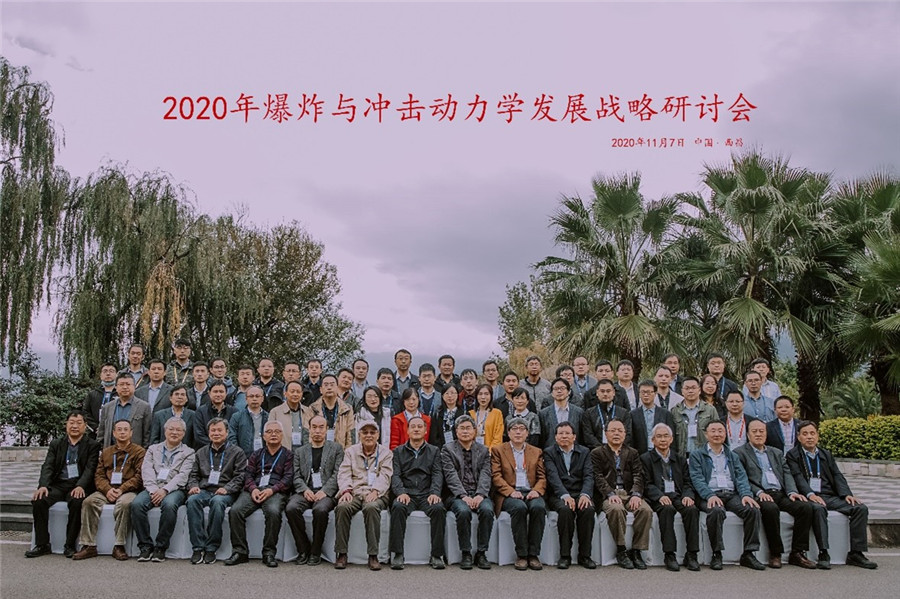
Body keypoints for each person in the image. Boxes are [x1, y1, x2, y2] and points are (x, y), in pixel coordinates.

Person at [787, 420, 878, 569]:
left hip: (829, 495)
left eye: (812, 433)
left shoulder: (825, 454)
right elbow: (797, 477)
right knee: (818, 509)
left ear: (817, 436)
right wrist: (810, 494)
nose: (809, 437)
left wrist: (847, 494)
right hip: (809, 497)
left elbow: (837, 475)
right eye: (805, 434)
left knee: (860, 508)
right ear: (798, 437)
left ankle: (856, 553)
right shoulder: (793, 455)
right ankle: (823, 552)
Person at [734, 420, 817, 569]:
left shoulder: (776, 452)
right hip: (760, 494)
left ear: (766, 433)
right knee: (770, 509)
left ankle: (797, 553)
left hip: (780, 493)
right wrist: (759, 492)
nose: (758, 434)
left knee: (805, 507)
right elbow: (742, 478)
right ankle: (775, 553)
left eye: (761, 431)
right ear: (748, 434)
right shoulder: (740, 453)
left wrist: (792, 492)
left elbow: (787, 473)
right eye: (754, 431)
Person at [688, 421, 765, 570]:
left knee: (752, 509)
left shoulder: (732, 455)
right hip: (709, 495)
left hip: (731, 494)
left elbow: (741, 477)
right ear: (706, 434)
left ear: (725, 434)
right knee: (716, 511)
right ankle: (717, 553)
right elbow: (697, 479)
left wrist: (746, 495)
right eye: (713, 431)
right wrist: (709, 495)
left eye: (720, 431)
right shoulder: (697, 455)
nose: (717, 434)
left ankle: (749, 553)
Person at [27, 410, 100, 558]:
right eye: (71, 423)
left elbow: (90, 468)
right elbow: (48, 466)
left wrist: (81, 485)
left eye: (79, 423)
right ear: (66, 425)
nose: (75, 426)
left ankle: (70, 545)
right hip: (59, 484)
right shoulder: (56, 443)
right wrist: (43, 485)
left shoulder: (92, 445)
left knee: (77, 502)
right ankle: (42, 544)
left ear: (85, 426)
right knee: (39, 500)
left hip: (78, 485)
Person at [73, 420, 146, 561]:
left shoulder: (139, 452)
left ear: (131, 433)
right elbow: (99, 475)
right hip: (107, 489)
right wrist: (107, 490)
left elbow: (139, 477)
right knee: (89, 502)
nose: (122, 432)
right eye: (119, 430)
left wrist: (122, 489)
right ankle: (88, 545)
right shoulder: (106, 452)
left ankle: (119, 545)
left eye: (125, 430)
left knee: (125, 504)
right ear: (114, 433)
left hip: (128, 490)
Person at [225, 421, 293, 568]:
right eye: (269, 432)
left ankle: (269, 553)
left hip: (275, 491)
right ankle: (240, 551)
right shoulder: (256, 454)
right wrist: (253, 489)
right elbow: (248, 475)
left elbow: (288, 478)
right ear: (263, 436)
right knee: (235, 511)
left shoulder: (288, 455)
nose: (273, 434)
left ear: (282, 435)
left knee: (273, 511)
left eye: (277, 431)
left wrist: (272, 490)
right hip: (255, 489)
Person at [131, 417, 196, 562]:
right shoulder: (153, 449)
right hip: (153, 487)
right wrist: (154, 490)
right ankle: (145, 546)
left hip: (175, 489)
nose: (174, 432)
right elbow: (147, 470)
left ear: (184, 433)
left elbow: (183, 476)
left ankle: (161, 547)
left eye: (178, 430)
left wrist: (165, 490)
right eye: (171, 429)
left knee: (169, 505)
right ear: (165, 431)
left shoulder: (189, 452)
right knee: (137, 504)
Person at [592, 418, 652, 570]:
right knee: (616, 509)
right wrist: (610, 494)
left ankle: (637, 550)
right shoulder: (597, 453)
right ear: (606, 434)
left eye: (620, 431)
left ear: (625, 434)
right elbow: (598, 477)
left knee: (645, 510)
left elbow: (638, 475)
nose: (616, 434)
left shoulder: (632, 453)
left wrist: (636, 494)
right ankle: (621, 549)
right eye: (613, 431)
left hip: (629, 493)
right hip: (609, 494)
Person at [185, 417, 248, 564]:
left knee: (217, 503)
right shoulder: (201, 452)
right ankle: (198, 547)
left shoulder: (237, 452)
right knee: (192, 500)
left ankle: (211, 548)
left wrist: (227, 488)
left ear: (227, 432)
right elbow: (193, 474)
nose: (216, 433)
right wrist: (193, 486)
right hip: (205, 489)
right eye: (213, 430)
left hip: (226, 491)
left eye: (220, 430)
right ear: (208, 433)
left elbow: (240, 476)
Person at [284, 415, 344, 566]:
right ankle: (303, 548)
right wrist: (304, 490)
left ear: (327, 429)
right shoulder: (300, 451)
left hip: (326, 493)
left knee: (321, 510)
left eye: (321, 427)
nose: (317, 431)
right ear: (309, 430)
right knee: (291, 508)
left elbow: (338, 473)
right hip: (305, 491)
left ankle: (316, 551)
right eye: (314, 427)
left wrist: (325, 491)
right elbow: (296, 475)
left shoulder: (336, 449)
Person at [333, 421, 393, 570]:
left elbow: (385, 475)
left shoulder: (386, 453)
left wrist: (376, 491)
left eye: (372, 432)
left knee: (371, 508)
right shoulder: (350, 452)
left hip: (377, 493)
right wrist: (346, 491)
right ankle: (341, 553)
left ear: (378, 435)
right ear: (359, 435)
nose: (368, 435)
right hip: (354, 491)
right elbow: (344, 473)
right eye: (365, 432)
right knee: (342, 507)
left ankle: (373, 555)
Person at [389, 416, 446, 570]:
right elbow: (395, 475)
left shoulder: (434, 451)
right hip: (407, 494)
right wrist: (400, 492)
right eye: (413, 426)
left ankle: (437, 555)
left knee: (438, 509)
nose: (416, 429)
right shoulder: (398, 451)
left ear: (425, 431)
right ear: (407, 430)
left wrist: (435, 492)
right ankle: (398, 553)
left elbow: (437, 474)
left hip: (427, 494)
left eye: (419, 427)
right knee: (398, 507)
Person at [641, 423, 700, 571]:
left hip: (677, 495)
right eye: (659, 436)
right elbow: (646, 484)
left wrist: (687, 495)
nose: (663, 439)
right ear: (653, 440)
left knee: (692, 509)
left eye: (666, 436)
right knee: (667, 509)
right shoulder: (646, 459)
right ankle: (669, 554)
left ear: (671, 439)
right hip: (658, 497)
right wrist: (659, 496)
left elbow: (687, 482)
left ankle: (692, 554)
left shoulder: (679, 459)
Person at [491, 416, 546, 570]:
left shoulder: (536, 451)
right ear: (508, 433)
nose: (518, 432)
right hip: (509, 493)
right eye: (514, 429)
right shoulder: (498, 450)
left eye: (522, 429)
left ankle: (533, 554)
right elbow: (496, 476)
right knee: (519, 508)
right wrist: (510, 492)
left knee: (538, 507)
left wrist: (536, 490)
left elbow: (542, 477)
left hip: (530, 491)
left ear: (527, 433)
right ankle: (522, 554)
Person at [441, 415, 493, 570]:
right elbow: (450, 476)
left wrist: (480, 494)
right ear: (456, 431)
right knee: (463, 512)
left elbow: (486, 474)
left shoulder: (483, 450)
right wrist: (463, 496)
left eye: (468, 428)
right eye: (462, 428)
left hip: (478, 493)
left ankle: (481, 553)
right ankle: (466, 552)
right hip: (456, 494)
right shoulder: (448, 449)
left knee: (487, 510)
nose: (465, 431)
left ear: (475, 431)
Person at [543, 421, 596, 569]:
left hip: (580, 492)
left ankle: (585, 555)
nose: (564, 436)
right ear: (555, 437)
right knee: (565, 510)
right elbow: (553, 477)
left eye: (567, 433)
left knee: (588, 510)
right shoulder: (549, 452)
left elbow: (589, 476)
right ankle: (565, 555)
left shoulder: (584, 452)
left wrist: (585, 494)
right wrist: (564, 495)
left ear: (574, 437)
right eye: (561, 433)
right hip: (559, 494)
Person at [99, 373, 151, 448]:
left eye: (128, 384)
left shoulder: (144, 407)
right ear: (116, 387)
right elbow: (101, 432)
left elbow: (147, 434)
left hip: (134, 451)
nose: (125, 387)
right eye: (121, 384)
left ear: (134, 387)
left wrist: (143, 452)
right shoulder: (107, 407)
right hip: (111, 450)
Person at [671, 376, 719, 455]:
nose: (690, 391)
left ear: (699, 390)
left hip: (704, 455)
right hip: (682, 455)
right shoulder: (675, 411)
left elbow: (717, 433)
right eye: (687, 388)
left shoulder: (710, 410)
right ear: (682, 391)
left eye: (693, 388)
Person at [307, 373, 356, 448]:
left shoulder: (347, 409)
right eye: (326, 385)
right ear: (321, 390)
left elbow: (351, 436)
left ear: (337, 388)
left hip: (341, 451)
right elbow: (308, 434)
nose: (329, 388)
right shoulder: (313, 408)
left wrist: (347, 453)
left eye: (332, 385)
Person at [581, 379, 632, 449]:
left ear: (613, 393)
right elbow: (588, 436)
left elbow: (628, 435)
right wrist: (603, 450)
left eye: (608, 391)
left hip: (620, 451)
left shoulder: (624, 413)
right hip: (596, 452)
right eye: (602, 391)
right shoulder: (589, 413)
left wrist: (615, 448)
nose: (605, 394)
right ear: (597, 393)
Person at [630, 379, 677, 455]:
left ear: (655, 394)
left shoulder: (665, 414)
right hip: (640, 454)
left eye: (649, 392)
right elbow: (631, 438)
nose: (646, 395)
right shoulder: (633, 414)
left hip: (661, 453)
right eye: (643, 392)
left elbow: (672, 437)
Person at [538, 377, 583, 448]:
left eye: (562, 388)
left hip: (574, 451)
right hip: (551, 452)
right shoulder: (543, 414)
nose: (559, 391)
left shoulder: (578, 412)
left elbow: (581, 436)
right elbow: (542, 438)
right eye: (556, 389)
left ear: (568, 392)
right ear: (552, 393)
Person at [268, 380, 311, 451]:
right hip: (283, 452)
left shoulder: (308, 411)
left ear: (302, 394)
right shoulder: (275, 412)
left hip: (304, 452)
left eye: (298, 392)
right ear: (285, 393)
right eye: (292, 391)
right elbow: (270, 435)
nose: (295, 394)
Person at [192, 380, 235, 449]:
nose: (218, 394)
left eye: (221, 392)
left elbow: (234, 435)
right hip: (206, 450)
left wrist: (224, 446)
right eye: (215, 392)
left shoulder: (233, 412)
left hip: (228, 450)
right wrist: (215, 446)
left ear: (226, 393)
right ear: (209, 393)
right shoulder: (200, 411)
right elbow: (199, 435)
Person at [228, 386, 269, 457]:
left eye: (257, 396)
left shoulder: (268, 417)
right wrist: (239, 455)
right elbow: (231, 437)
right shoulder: (237, 416)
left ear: (262, 399)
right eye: (251, 396)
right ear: (246, 399)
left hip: (264, 456)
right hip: (243, 457)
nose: (254, 399)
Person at [83, 362, 119, 437]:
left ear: (117, 375)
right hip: (95, 433)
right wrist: (96, 427)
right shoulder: (92, 394)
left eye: (111, 371)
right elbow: (86, 412)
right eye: (105, 371)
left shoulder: (120, 394)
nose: (108, 374)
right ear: (100, 375)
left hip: (117, 432)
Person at [470, 383, 504, 448]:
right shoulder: (471, 414)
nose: (483, 397)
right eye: (480, 394)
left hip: (491, 451)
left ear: (491, 396)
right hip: (473, 451)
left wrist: (489, 451)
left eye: (486, 394)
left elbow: (498, 437)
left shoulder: (497, 413)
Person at [429, 382, 461, 448]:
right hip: (442, 450)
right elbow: (434, 437)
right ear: (442, 396)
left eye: (452, 393)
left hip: (460, 449)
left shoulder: (464, 413)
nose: (450, 396)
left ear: (457, 395)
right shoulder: (437, 414)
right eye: (447, 393)